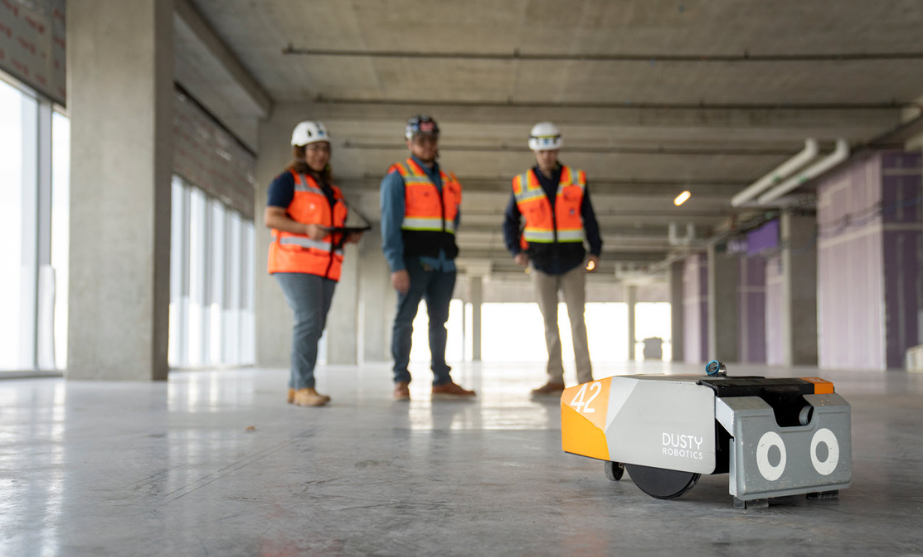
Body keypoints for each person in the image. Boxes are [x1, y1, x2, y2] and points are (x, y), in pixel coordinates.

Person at [265, 121, 362, 407]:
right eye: (314, 148)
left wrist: (346, 237)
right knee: (307, 321)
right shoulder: (288, 180)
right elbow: (272, 218)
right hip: (294, 263)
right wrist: (306, 229)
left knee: (315, 326)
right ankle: (305, 386)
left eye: (324, 148)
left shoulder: (330, 190)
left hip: (325, 266)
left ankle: (295, 387)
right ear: (300, 151)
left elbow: (328, 230)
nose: (320, 154)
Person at [502, 122, 603, 396]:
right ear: (535, 151)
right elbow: (510, 222)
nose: (547, 156)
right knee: (549, 322)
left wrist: (595, 250)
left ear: (557, 149)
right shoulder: (522, 183)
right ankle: (555, 378)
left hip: (573, 261)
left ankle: (585, 378)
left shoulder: (576, 179)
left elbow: (589, 218)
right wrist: (516, 251)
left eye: (551, 151)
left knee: (577, 320)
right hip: (540, 262)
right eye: (542, 152)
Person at [380, 115, 476, 401]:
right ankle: (401, 380)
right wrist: (396, 265)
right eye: (420, 140)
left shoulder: (449, 180)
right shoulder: (398, 176)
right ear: (409, 143)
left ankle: (441, 379)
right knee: (405, 320)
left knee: (440, 322)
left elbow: (452, 219)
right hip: (412, 262)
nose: (427, 145)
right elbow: (390, 225)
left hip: (445, 262)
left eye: (431, 140)